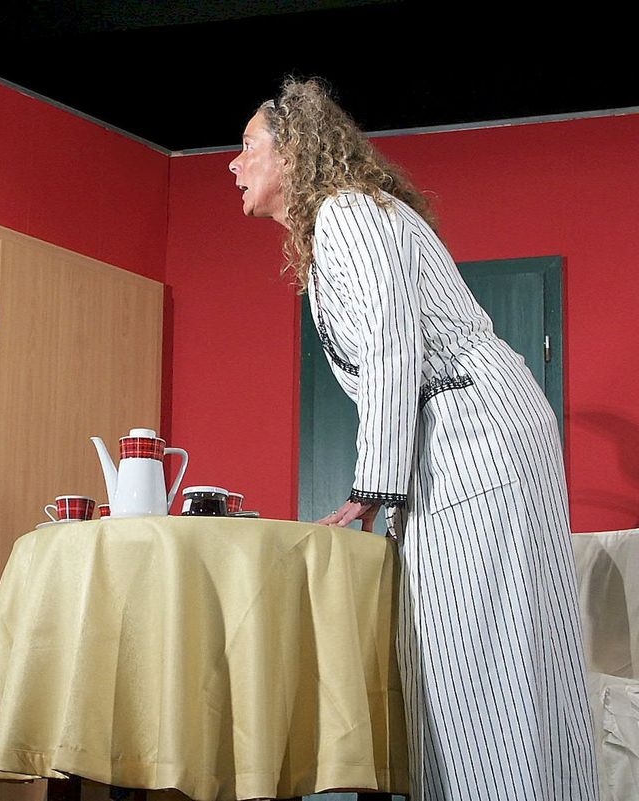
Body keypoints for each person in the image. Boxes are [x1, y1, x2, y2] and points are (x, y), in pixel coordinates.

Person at [228, 78, 597, 800]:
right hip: (471, 431)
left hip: (473, 432)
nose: (234, 164)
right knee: (496, 661)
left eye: (247, 146)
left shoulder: (347, 213)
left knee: (482, 664)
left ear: (293, 151)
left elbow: (392, 345)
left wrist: (373, 486)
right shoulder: (349, 218)